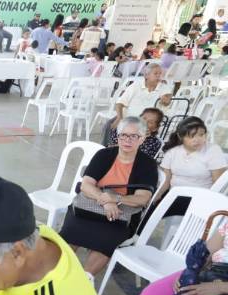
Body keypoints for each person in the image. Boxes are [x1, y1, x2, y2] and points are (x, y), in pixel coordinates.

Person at [60, 116, 159, 275]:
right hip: (89, 207)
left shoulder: (147, 164)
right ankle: (60, 273)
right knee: (70, 233)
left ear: (143, 138)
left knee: (105, 239)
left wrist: (116, 199)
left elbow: (143, 198)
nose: (127, 140)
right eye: (123, 135)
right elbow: (86, 185)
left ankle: (86, 279)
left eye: (134, 136)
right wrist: (106, 201)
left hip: (120, 216)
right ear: (117, 136)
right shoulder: (104, 155)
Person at [156, 117, 227, 216]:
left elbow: (218, 184)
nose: (196, 140)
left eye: (200, 135)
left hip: (199, 200)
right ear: (181, 136)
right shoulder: (173, 152)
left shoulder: (213, 151)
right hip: (173, 197)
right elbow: (166, 181)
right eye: (191, 136)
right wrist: (155, 198)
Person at [110, 64, 172, 132]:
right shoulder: (136, 86)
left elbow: (167, 102)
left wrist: (166, 101)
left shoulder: (164, 88)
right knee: (109, 126)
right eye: (155, 73)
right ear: (146, 75)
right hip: (128, 120)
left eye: (160, 73)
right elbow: (119, 103)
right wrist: (119, 118)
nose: (159, 76)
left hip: (148, 125)